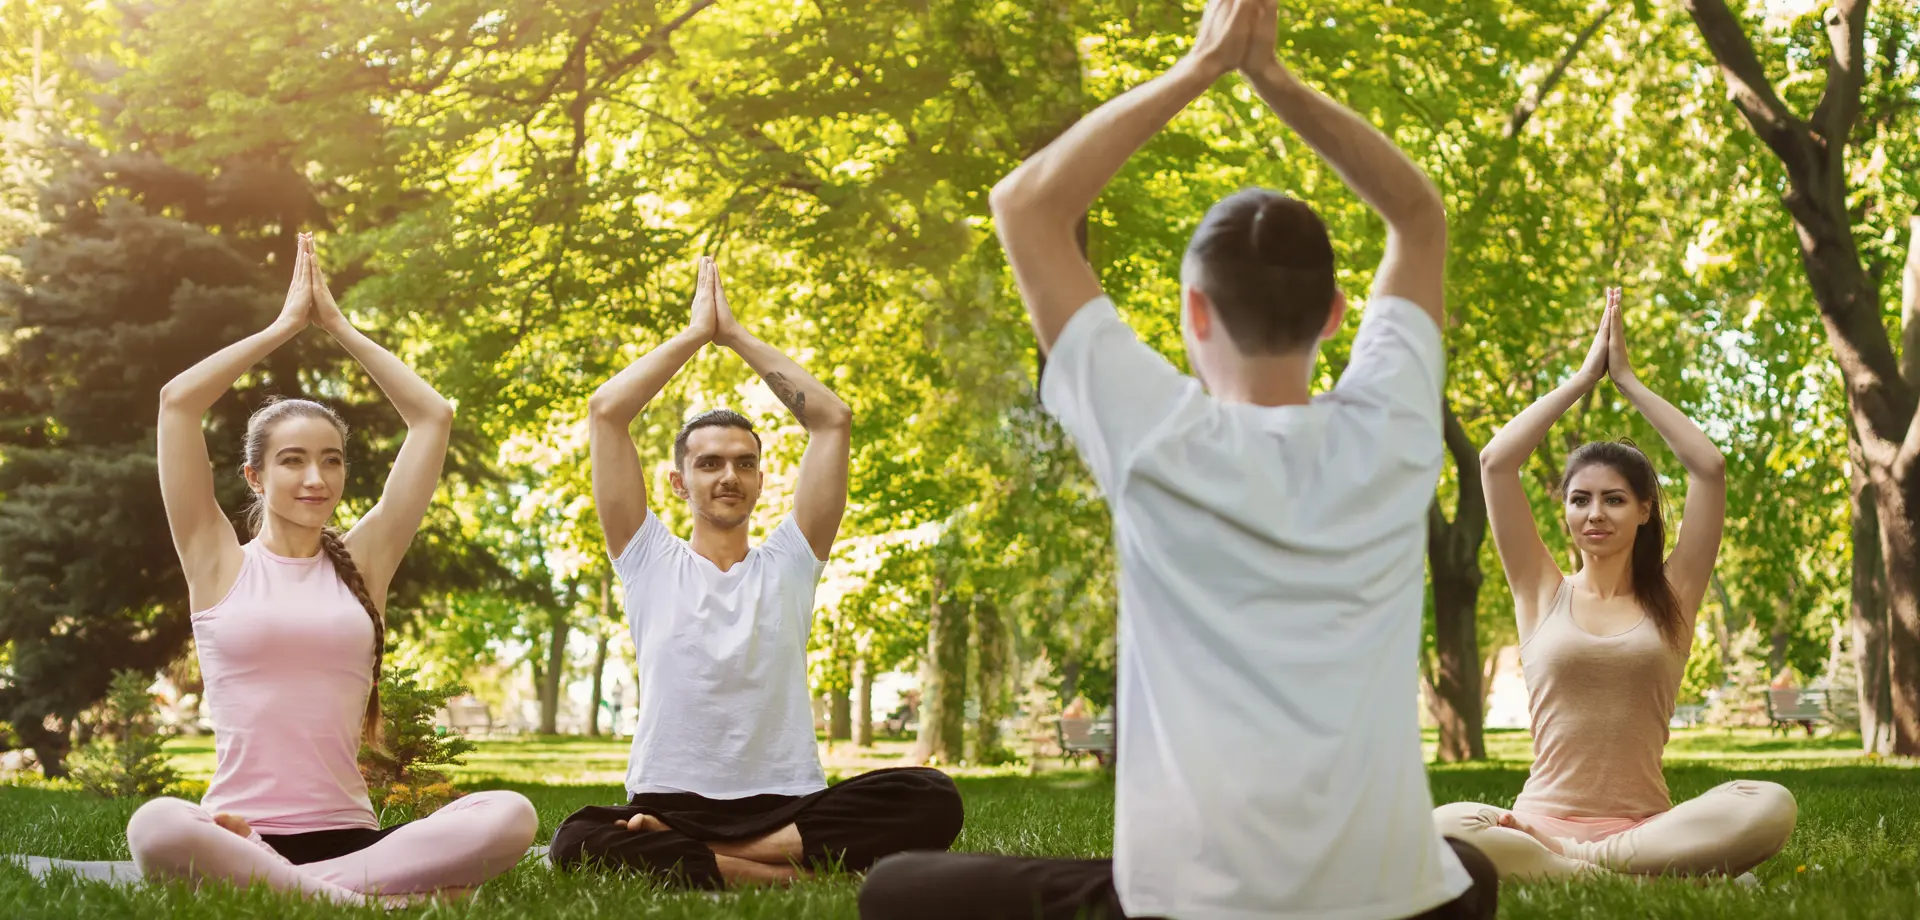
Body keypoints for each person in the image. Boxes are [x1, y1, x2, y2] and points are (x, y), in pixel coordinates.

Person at [860, 1, 1497, 917]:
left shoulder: (1154, 435)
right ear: (1333, 316)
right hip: (1392, 905)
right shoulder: (1395, 434)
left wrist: (1201, 67)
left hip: (1191, 909)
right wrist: (1277, 80)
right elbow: (1418, 214)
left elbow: (1025, 205)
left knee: (898, 890)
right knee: (1468, 873)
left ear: (1194, 313)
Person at [126, 234, 537, 904]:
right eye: (292, 460)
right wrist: (285, 326)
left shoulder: (363, 563)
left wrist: (338, 326)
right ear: (255, 475)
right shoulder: (216, 558)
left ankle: (290, 889)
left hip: (352, 836)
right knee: (155, 826)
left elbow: (432, 417)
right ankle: (364, 901)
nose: (315, 478)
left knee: (511, 815)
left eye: (331, 460)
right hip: (235, 829)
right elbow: (178, 403)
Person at [548, 257, 963, 889]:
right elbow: (607, 412)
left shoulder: (791, 560)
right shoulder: (646, 557)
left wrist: (736, 336)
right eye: (710, 464)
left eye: (744, 464)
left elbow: (832, 419)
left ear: (763, 481)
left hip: (784, 800)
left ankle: (708, 856)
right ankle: (779, 869)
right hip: (668, 799)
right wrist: (694, 335)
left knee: (933, 796)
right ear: (678, 481)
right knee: (575, 839)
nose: (728, 477)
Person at [1432, 289, 1797, 880]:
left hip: (1644, 829)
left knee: (1770, 804)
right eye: (1580, 500)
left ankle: (1578, 866)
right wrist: (1582, 379)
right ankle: (1641, 871)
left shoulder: (1673, 595)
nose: (1594, 513)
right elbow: (1496, 462)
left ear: (1645, 510)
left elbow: (1709, 468)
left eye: (1614, 499)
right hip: (1534, 823)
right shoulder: (1540, 591)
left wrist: (1625, 379)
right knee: (1440, 827)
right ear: (1566, 513)